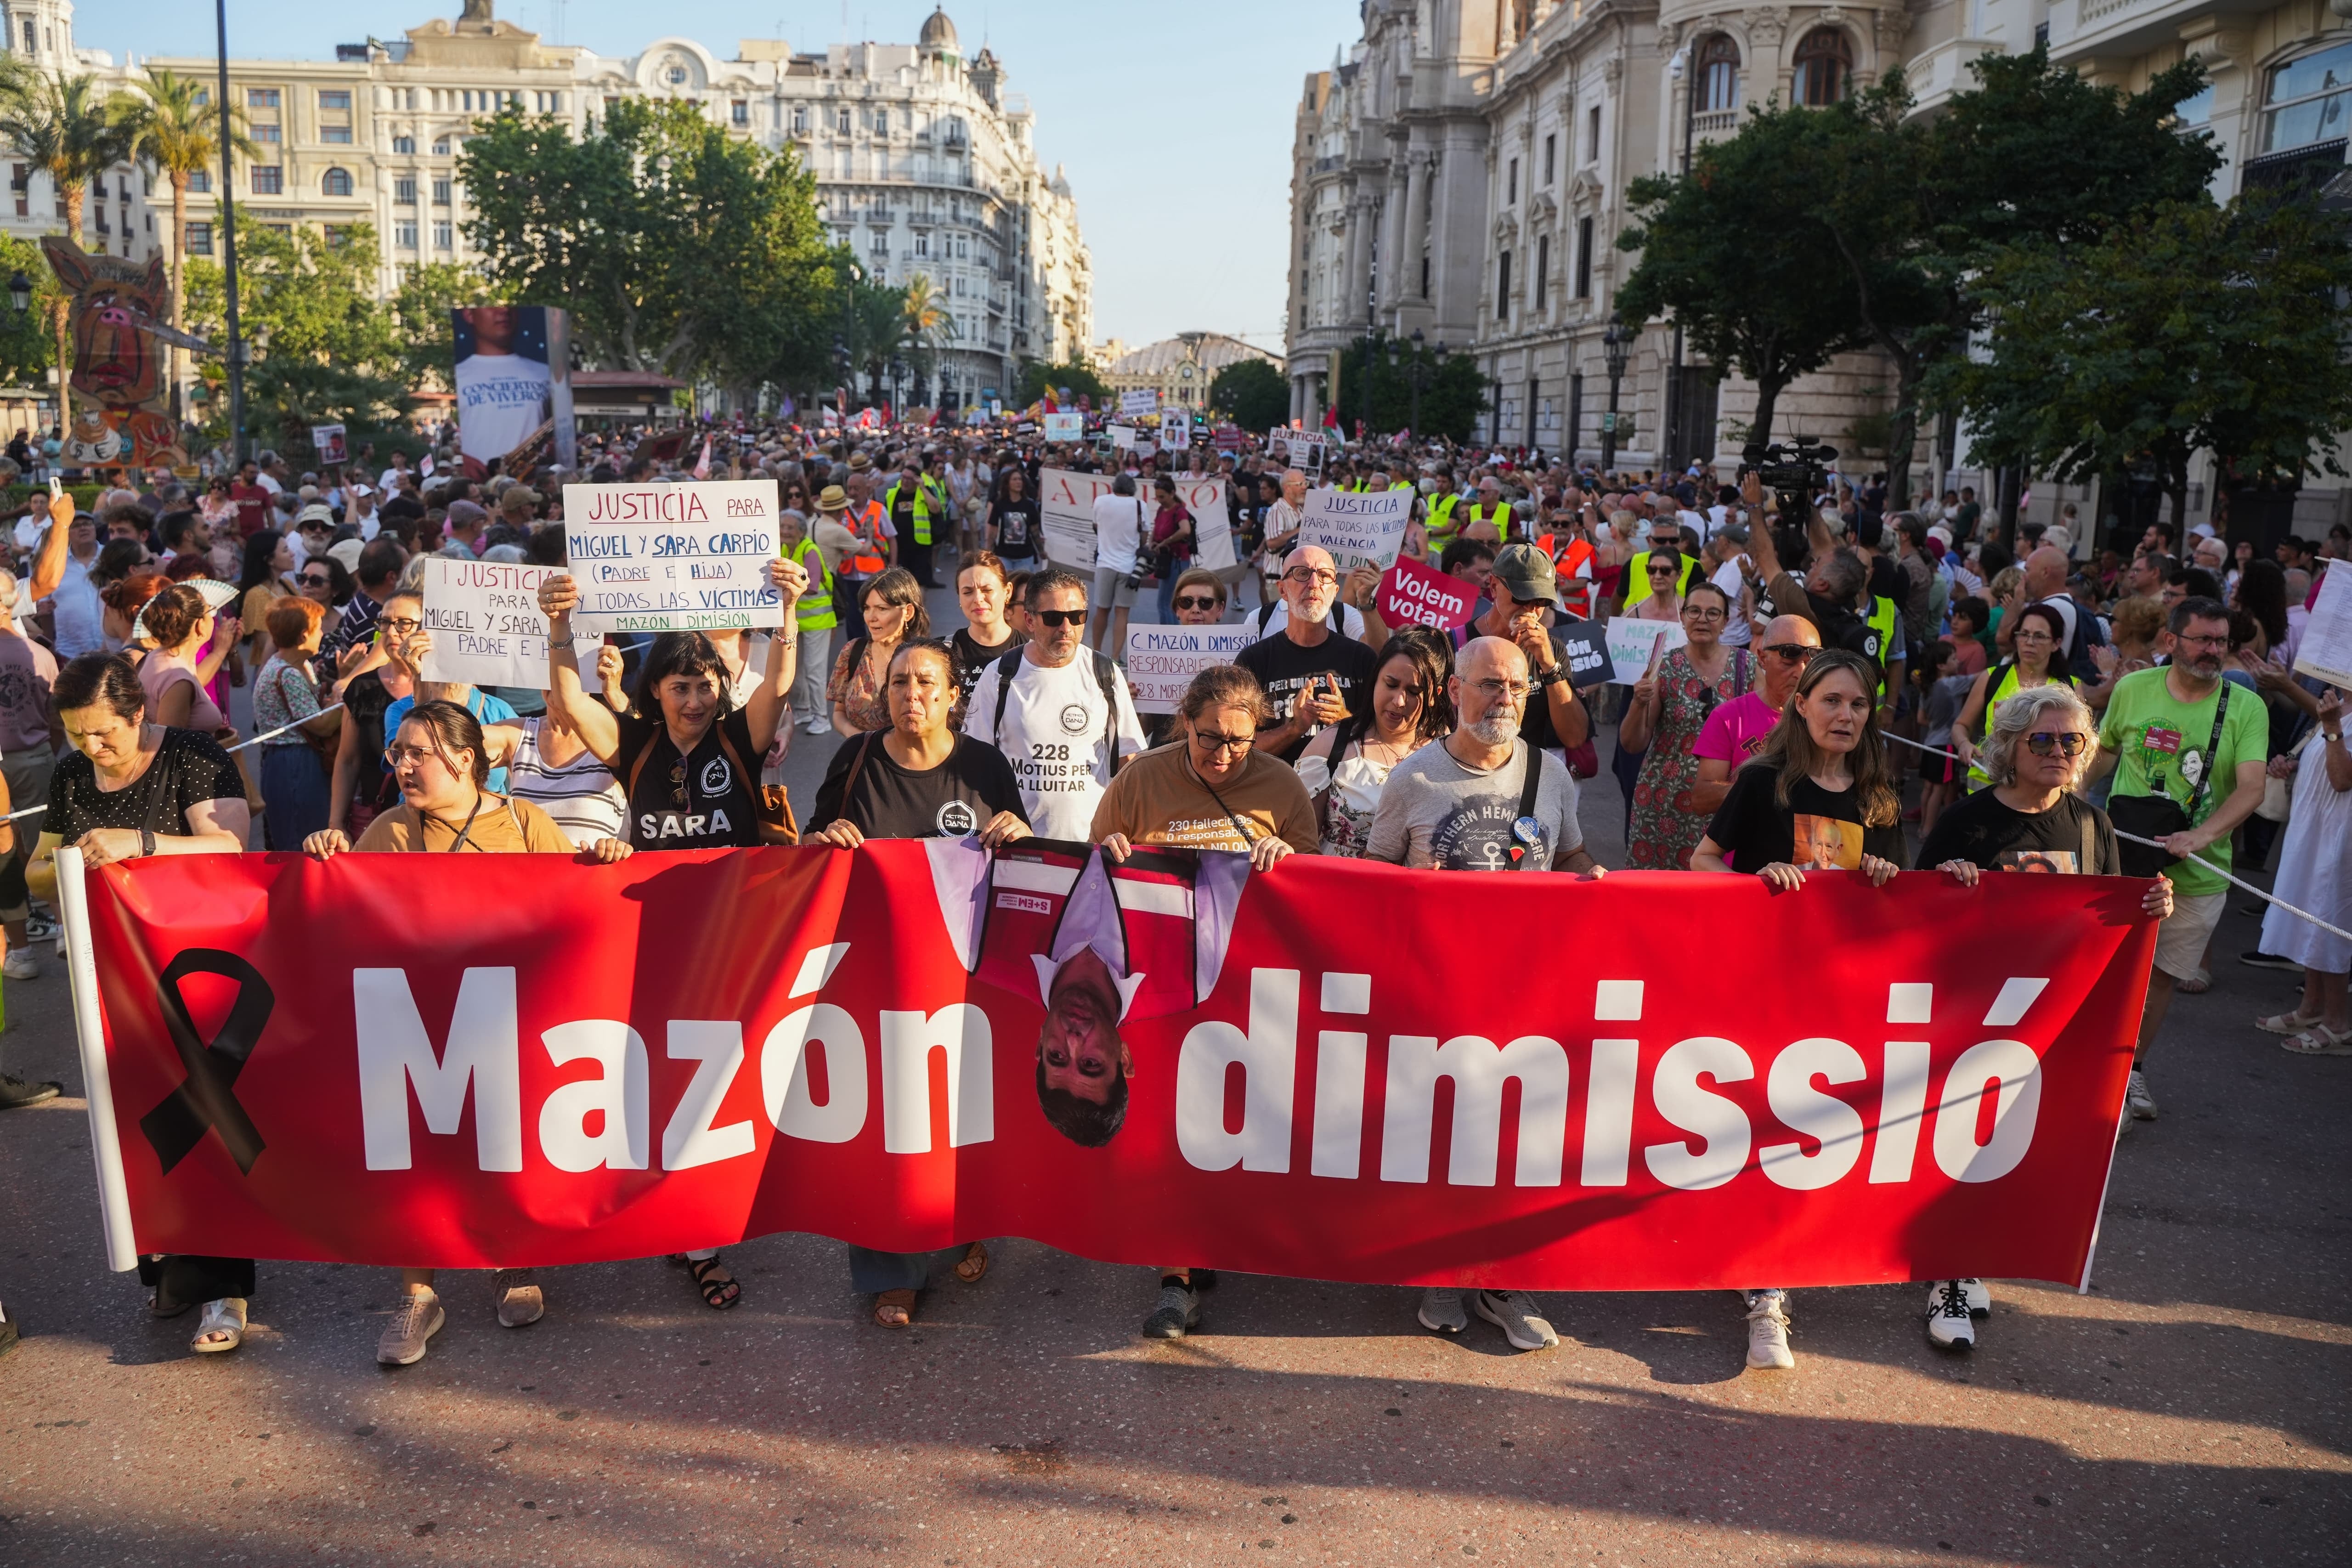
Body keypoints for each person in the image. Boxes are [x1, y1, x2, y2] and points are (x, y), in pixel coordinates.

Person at [302, 700, 625, 1365]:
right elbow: (342, 922)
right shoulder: (389, 830)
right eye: (397, 753)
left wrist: (607, 861)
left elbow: (577, 910)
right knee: (416, 1158)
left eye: (418, 753)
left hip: (505, 1020)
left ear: (466, 759)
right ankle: (418, 1295)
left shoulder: (525, 822)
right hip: (414, 1027)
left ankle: (511, 1261)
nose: (403, 766)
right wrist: (326, 858)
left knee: (504, 1142)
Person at [535, 556, 805, 1308]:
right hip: (652, 946)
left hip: (734, 942)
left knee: (721, 1088)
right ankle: (690, 1231)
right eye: (681, 686)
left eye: (706, 684)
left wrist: (786, 611)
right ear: (655, 689)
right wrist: (559, 622)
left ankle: (700, 1225)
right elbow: (568, 699)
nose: (694, 698)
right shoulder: (635, 745)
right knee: (664, 1084)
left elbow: (778, 686)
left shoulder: (740, 740)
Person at [1917, 683, 2172, 1350]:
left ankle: (1970, 1260)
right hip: (1973, 1018)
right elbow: (1911, 919)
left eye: (2072, 740)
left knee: (2013, 1153)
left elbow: (2108, 923)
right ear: (2009, 746)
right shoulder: (1967, 821)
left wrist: (2151, 907)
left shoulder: (2091, 825)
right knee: (1961, 1150)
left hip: (2052, 1021)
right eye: (2043, 739)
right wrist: (1945, 886)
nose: (2059, 750)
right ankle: (1945, 1276)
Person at [1361, 634, 1599, 1353]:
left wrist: (1593, 879)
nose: (1505, 699)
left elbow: (1571, 852)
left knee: (1516, 1146)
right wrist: (1415, 895)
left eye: (1518, 687)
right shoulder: (1414, 778)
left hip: (1527, 997)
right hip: (1438, 999)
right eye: (1491, 684)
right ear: (1454, 690)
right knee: (1441, 1140)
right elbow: (1373, 880)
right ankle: (1440, 1269)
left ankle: (1504, 1281)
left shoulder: (1549, 774)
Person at [24, 655, 251, 1343]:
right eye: (76, 733)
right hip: (112, 975)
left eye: (104, 732)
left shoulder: (192, 757)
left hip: (196, 969)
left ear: (137, 714)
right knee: (137, 1125)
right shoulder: (71, 775)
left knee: (205, 1121)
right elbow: (38, 871)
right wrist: (69, 863)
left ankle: (225, 1289)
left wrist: (140, 844)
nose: (91, 746)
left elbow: (231, 847)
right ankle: (172, 1269)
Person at [1691, 650, 1903, 1373]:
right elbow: (1702, 860)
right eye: (1833, 701)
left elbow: (1899, 895)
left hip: (1837, 996)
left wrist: (1884, 875)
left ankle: (1771, 1274)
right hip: (1760, 987)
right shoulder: (1762, 782)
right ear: (1802, 705)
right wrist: (1755, 879)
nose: (1846, 715)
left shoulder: (1878, 797)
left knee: (1805, 1135)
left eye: (1859, 704)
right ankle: (1763, 1288)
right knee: (1757, 1127)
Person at [807, 636, 1028, 1328]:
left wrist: (1018, 830)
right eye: (900, 682)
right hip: (875, 977)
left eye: (927, 682)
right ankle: (891, 1270)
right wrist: (825, 842)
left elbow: (1019, 855)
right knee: (885, 1122)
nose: (912, 695)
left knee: (961, 1113)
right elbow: (808, 848)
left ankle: (961, 1227)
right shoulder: (857, 759)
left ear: (953, 695)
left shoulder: (984, 765)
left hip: (962, 976)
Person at [1089, 662, 1311, 1341]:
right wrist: (1108, 851)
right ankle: (1175, 1279)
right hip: (1164, 987)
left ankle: (1211, 1239)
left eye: (1239, 741)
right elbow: (1090, 865)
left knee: (1230, 1127)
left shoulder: (1281, 784)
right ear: (1184, 721)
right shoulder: (1140, 778)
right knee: (1171, 1129)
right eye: (1209, 736)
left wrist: (1289, 858)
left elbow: (1317, 886)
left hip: (1247, 991)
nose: (1223, 754)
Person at [2091, 598, 2269, 1119]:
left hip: (2197, 873)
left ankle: (2131, 1072)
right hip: (2124, 860)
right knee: (2104, 971)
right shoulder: (2132, 688)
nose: (2214, 650)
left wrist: (2201, 835)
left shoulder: (2246, 706)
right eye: (2203, 639)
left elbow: (2252, 787)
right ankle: (2089, 1068)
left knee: (2159, 978)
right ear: (2171, 641)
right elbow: (2104, 752)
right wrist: (2065, 798)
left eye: (2221, 641)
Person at [965, 567, 1145, 839]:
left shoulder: (1105, 673)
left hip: (1090, 845)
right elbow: (974, 760)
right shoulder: (998, 675)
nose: (1066, 628)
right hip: (1017, 845)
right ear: (1029, 620)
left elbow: (1130, 759)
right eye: (1053, 618)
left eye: (1076, 616)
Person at [1295, 627, 1453, 857]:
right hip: (1339, 878)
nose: (1399, 701)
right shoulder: (1331, 744)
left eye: (1413, 691)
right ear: (1376, 678)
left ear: (1434, 695)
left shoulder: (1446, 750)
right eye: (1391, 684)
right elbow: (1299, 840)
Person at [1623, 581, 1748, 868]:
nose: (1702, 619)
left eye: (1713, 613)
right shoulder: (1664, 666)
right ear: (1682, 617)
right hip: (1662, 802)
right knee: (1655, 889)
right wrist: (1638, 703)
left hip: (1722, 802)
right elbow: (1633, 743)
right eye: (1694, 611)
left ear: (1726, 621)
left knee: (1715, 888)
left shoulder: (1748, 666)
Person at [2256, 688, 2351, 1056]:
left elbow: (2343, 778)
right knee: (2310, 914)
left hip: (2340, 834)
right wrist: (2294, 764)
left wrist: (2332, 727)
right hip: (2315, 827)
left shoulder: (2336, 713)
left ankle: (2338, 1024)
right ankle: (2312, 1008)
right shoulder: (2340, 704)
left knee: (2331, 921)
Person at [1235, 546, 1380, 764]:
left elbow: (1384, 743)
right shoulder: (1253, 661)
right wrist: (1294, 729)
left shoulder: (1362, 659)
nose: (1314, 584)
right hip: (1277, 784)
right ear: (1282, 590)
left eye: (1325, 576)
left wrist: (1344, 721)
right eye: (1302, 574)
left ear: (1335, 591)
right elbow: (1237, 746)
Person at [250, 596, 344, 849]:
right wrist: (343, 694)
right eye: (319, 628)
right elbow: (321, 725)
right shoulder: (288, 674)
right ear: (304, 636)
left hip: (292, 760)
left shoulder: (298, 665)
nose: (322, 634)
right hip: (293, 763)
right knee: (300, 840)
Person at [1951, 602, 2075, 784]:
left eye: (2039, 636)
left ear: (2056, 644)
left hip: (2043, 789)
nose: (2029, 642)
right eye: (2024, 634)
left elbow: (2076, 744)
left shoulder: (2069, 687)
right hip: (1987, 783)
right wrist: (1964, 744)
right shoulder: (1992, 677)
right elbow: (1960, 725)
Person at [828, 567, 927, 737]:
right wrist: (859, 739)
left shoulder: (927, 659)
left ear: (908, 612)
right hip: (860, 750)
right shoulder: (853, 651)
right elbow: (839, 712)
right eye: (867, 608)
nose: (871, 617)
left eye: (882, 609)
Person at [779, 505, 840, 736]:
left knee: (814, 671)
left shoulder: (809, 550)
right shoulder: (785, 548)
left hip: (819, 622)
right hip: (798, 622)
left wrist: (784, 584)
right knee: (796, 669)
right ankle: (804, 710)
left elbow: (812, 586)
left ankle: (822, 718)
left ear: (801, 531)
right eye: (783, 526)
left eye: (790, 527)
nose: (785, 531)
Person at [949, 551, 1020, 710]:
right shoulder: (942, 652)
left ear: (1007, 592)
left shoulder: (1030, 652)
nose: (978, 599)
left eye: (987, 590)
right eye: (968, 592)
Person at [1087, 474, 1147, 656]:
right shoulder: (1140, 505)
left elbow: (1096, 526)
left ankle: (1096, 653)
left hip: (1105, 563)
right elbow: (1144, 536)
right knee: (1122, 614)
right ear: (1133, 488)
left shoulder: (1100, 501)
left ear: (1114, 486)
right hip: (1129, 567)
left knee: (1102, 611)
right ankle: (1115, 657)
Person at [1148, 474, 1196, 624]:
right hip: (1167, 560)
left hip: (1177, 560)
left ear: (1172, 494)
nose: (1159, 500)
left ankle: (1168, 634)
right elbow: (1156, 528)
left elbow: (1185, 530)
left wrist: (1166, 542)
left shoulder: (1179, 511)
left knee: (1165, 603)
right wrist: (1152, 542)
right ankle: (1173, 633)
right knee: (1170, 603)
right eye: (1157, 497)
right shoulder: (1162, 510)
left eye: (1162, 497)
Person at [987, 465, 1041, 570]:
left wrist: (1041, 551)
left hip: (1025, 556)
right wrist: (988, 552)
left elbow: (1035, 531)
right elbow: (993, 531)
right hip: (1004, 555)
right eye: (1015, 479)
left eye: (1020, 479)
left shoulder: (1029, 505)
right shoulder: (1000, 504)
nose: (1018, 482)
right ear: (1008, 483)